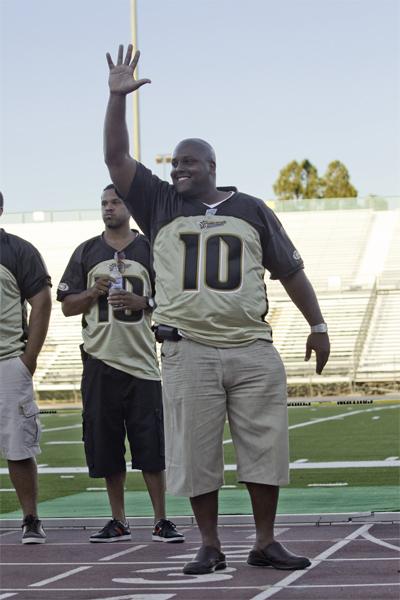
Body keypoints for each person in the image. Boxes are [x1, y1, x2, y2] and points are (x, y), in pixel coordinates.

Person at [103, 45, 330, 573]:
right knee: (195, 453)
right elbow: (116, 158)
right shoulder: (159, 202)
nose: (179, 167)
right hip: (189, 348)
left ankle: (265, 541)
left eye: (189, 161)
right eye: (175, 161)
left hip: (251, 345)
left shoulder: (250, 208)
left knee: (265, 450)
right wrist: (115, 99)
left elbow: (290, 270)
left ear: (211, 166)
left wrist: (317, 324)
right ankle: (210, 543)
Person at [57, 184, 184, 544]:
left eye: (115, 202)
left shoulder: (150, 248)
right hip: (100, 360)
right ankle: (118, 520)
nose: (109, 208)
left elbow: (173, 298)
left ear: (128, 206)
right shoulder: (86, 251)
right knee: (107, 446)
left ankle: (161, 519)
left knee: (151, 448)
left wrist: (141, 301)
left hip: (142, 363)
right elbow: (67, 305)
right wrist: (93, 292)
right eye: (104, 203)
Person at [0, 191, 52, 544]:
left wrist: (28, 359)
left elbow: (42, 302)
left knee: (19, 447)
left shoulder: (18, 249)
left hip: (7, 360)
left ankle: (30, 517)